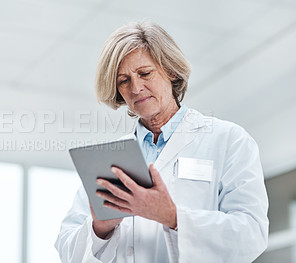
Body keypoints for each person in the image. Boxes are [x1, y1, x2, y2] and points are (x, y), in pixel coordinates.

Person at [55, 22, 269, 263]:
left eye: (145, 73)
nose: (136, 88)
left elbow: (252, 235)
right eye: (123, 80)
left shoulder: (229, 140)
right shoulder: (108, 159)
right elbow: (66, 247)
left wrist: (174, 217)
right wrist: (99, 229)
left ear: (171, 71)